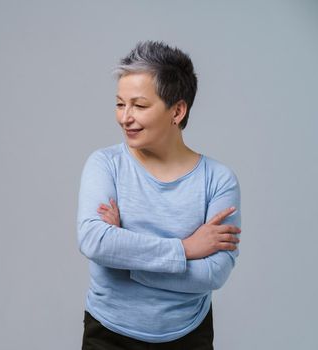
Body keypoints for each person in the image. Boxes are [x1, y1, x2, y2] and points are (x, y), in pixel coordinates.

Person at [76, 40, 242, 350]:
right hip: (108, 333)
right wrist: (185, 249)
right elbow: (94, 241)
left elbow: (213, 273)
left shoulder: (218, 180)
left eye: (139, 106)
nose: (125, 117)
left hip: (188, 335)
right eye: (119, 104)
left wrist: (125, 258)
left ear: (177, 110)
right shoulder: (104, 164)